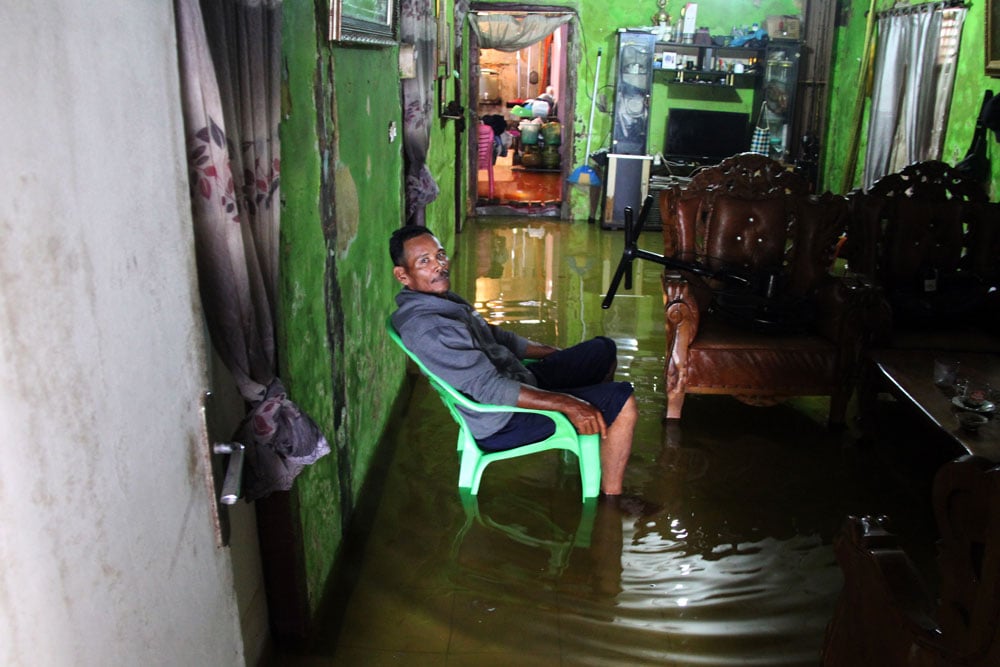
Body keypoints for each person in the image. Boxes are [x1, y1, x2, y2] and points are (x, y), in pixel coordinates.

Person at [389, 225, 637, 496]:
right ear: (403, 275)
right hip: (503, 420)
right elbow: (490, 389)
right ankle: (611, 498)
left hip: (515, 379)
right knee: (623, 400)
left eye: (440, 255)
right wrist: (570, 404)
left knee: (602, 349)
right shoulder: (430, 327)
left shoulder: (441, 301)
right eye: (424, 261)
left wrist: (558, 356)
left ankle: (594, 436)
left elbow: (498, 338)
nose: (439, 265)